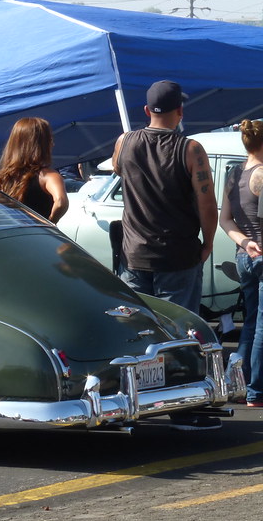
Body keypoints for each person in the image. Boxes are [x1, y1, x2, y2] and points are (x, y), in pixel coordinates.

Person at [111, 80, 217, 314]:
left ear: (147, 110)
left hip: (134, 255)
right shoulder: (191, 149)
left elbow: (118, 169)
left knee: (138, 328)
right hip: (178, 256)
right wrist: (208, 244)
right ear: (180, 111)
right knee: (177, 328)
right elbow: (207, 204)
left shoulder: (124, 141)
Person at [219, 119, 263, 407]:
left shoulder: (234, 174)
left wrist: (245, 242)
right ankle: (256, 391)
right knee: (261, 326)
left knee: (250, 322)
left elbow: (225, 220)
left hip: (244, 255)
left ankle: (237, 383)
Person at [0, 117, 69, 223]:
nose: (52, 144)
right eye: (49, 139)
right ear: (41, 144)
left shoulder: (6, 177)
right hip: (37, 232)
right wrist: (50, 223)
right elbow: (61, 202)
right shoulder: (48, 176)